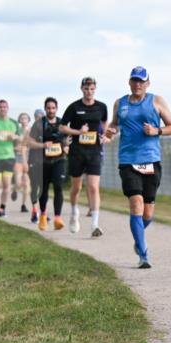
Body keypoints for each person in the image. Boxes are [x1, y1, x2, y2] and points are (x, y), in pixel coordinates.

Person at [104, 66, 171, 269]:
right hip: (128, 160)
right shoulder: (121, 103)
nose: (137, 84)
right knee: (136, 203)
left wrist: (156, 130)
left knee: (147, 213)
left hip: (151, 159)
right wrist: (111, 131)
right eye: (134, 80)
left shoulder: (157, 101)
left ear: (147, 83)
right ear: (129, 82)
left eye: (141, 81)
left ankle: (138, 237)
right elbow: (115, 124)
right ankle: (143, 254)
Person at [60, 77, 108, 237]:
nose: (89, 92)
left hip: (94, 151)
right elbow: (62, 127)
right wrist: (78, 132)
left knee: (94, 187)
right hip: (77, 152)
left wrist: (104, 135)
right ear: (82, 89)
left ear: (95, 89)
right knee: (77, 187)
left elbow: (105, 122)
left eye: (92, 89)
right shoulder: (74, 107)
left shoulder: (102, 107)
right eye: (86, 89)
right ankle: (74, 213)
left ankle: (94, 224)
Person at [25, 98, 66, 231]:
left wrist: (67, 147)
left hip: (59, 160)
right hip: (42, 161)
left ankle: (58, 217)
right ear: (45, 108)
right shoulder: (38, 124)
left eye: (53, 108)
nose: (51, 110)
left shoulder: (62, 123)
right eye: (48, 108)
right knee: (44, 189)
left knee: (58, 186)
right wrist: (43, 145)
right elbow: (30, 143)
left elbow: (67, 140)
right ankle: (42, 215)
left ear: (57, 108)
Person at [12, 112, 32, 212]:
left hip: (28, 159)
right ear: (19, 120)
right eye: (22, 118)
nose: (24, 119)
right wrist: (16, 148)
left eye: (26, 118)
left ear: (29, 120)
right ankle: (15, 189)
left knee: (27, 185)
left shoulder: (32, 131)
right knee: (19, 182)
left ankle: (23, 205)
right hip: (18, 159)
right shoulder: (16, 131)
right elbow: (12, 146)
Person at [28, 108, 45, 223]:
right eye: (37, 116)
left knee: (43, 188)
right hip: (34, 160)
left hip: (46, 162)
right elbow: (29, 143)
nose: (39, 118)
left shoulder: (48, 128)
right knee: (34, 187)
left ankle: (43, 212)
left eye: (41, 116)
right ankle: (34, 210)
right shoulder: (32, 129)